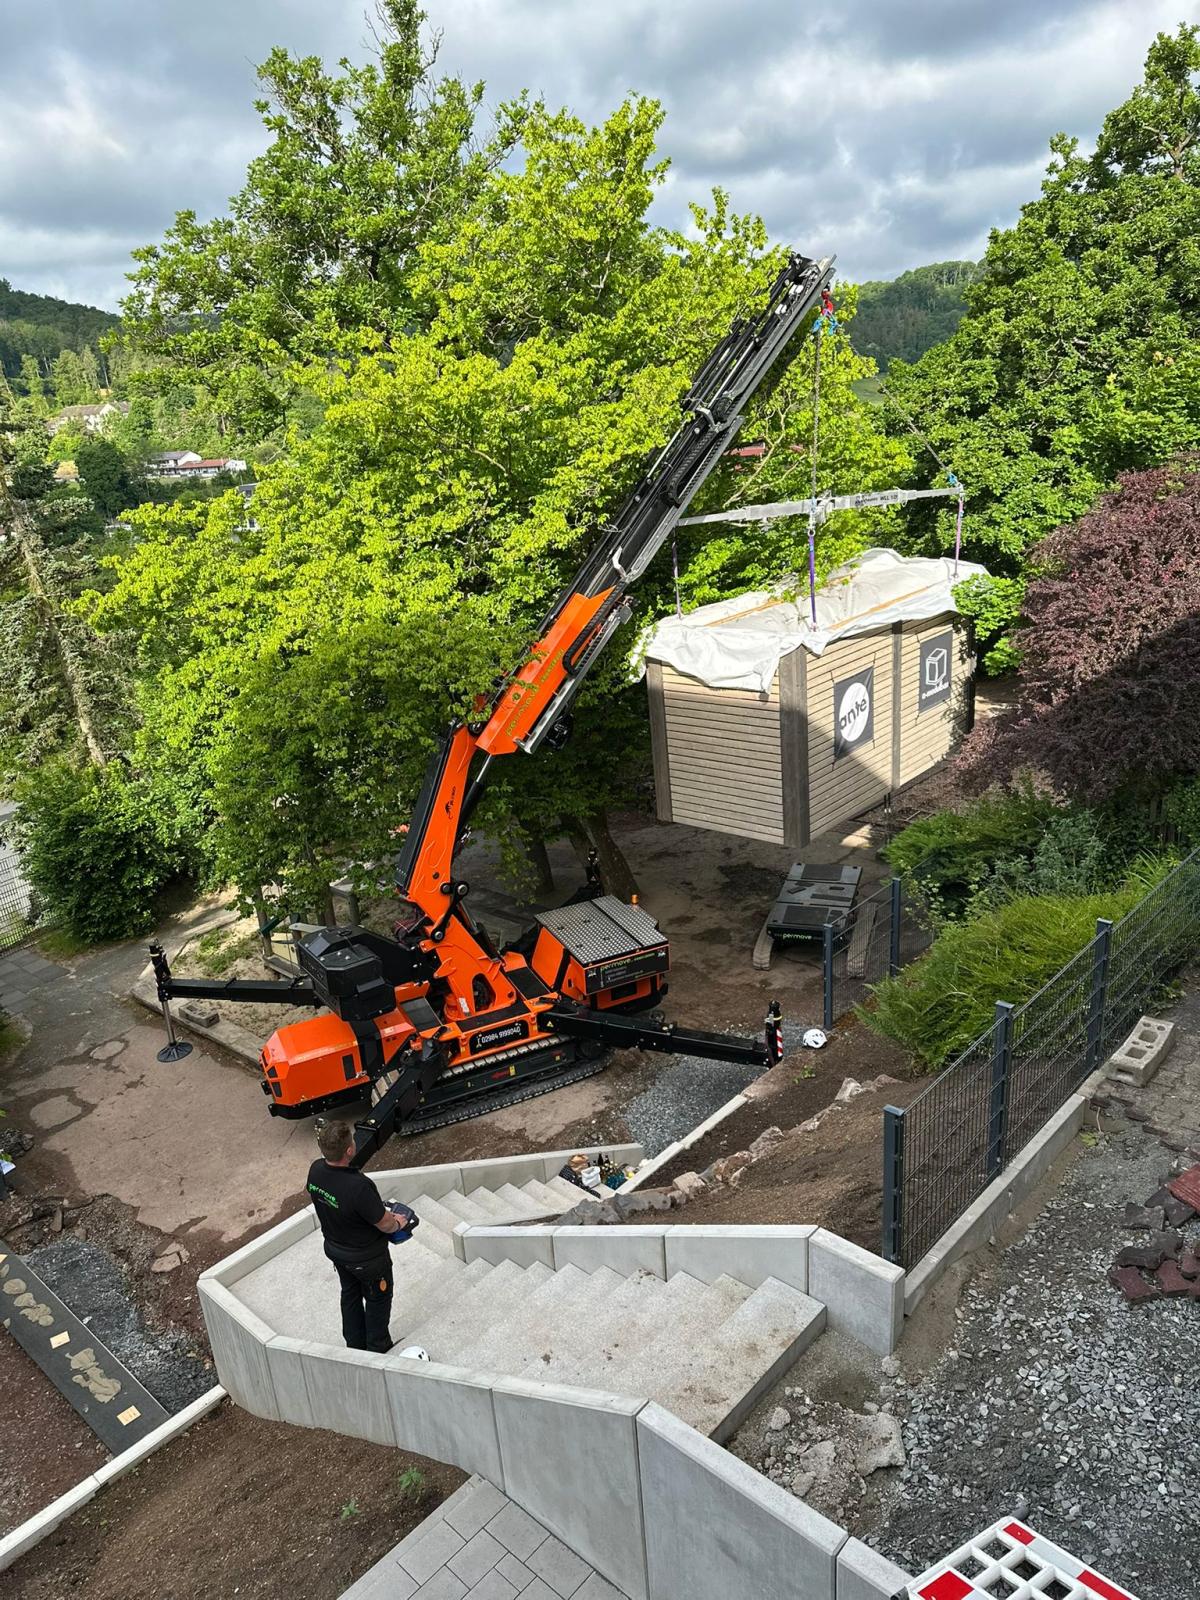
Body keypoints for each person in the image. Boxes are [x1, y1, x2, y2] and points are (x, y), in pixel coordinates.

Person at [306, 1120, 403, 1353]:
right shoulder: (359, 1186)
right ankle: (378, 1349)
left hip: (337, 1251)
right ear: (349, 1150)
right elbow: (386, 1224)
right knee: (378, 1299)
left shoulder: (316, 1170)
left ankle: (355, 1346)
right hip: (368, 1260)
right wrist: (399, 1222)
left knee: (350, 1294)